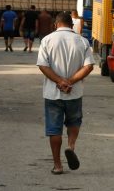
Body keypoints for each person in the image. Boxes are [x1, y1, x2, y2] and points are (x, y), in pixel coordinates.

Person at [37, 12, 95, 175]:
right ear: (72, 25)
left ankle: (57, 165)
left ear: (56, 24)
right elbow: (89, 66)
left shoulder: (47, 40)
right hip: (74, 93)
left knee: (54, 130)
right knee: (74, 122)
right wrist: (70, 81)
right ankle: (70, 147)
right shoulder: (82, 41)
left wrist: (60, 81)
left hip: (52, 94)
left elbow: (43, 65)